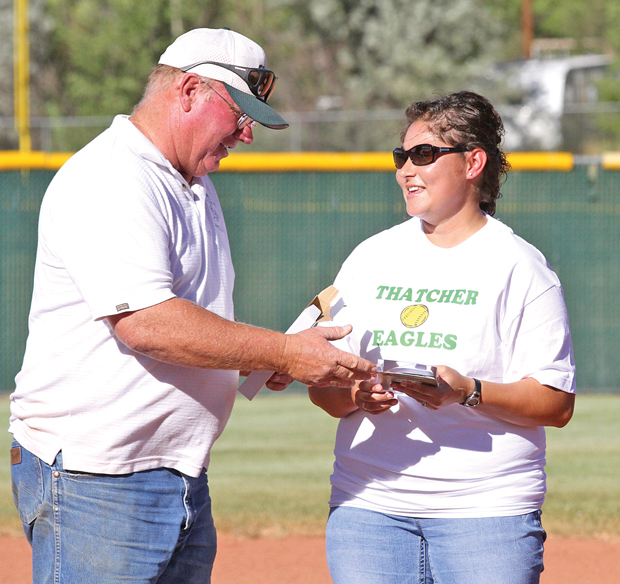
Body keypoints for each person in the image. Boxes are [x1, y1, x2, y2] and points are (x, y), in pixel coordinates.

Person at [9, 27, 375, 584]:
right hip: (97, 480)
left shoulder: (190, 179)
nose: (246, 134)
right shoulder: (113, 177)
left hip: (172, 476)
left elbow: (189, 313)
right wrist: (282, 350)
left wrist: (263, 359)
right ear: (189, 91)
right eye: (239, 113)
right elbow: (148, 323)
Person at [308, 91, 576, 584]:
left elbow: (556, 404)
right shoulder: (370, 256)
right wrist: (352, 394)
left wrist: (469, 392)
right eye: (401, 156)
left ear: (473, 162)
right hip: (368, 509)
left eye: (425, 154)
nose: (406, 169)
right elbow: (324, 389)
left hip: (486, 515)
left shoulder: (521, 266)